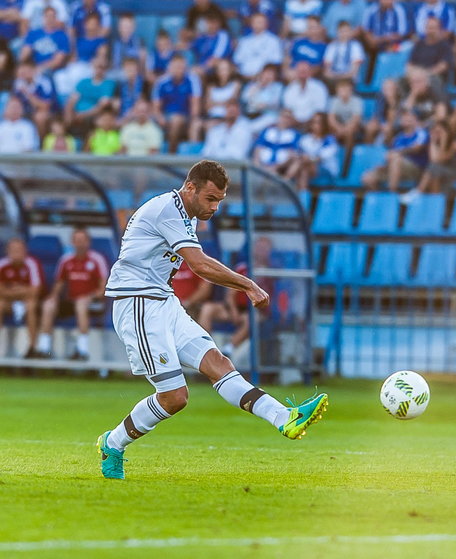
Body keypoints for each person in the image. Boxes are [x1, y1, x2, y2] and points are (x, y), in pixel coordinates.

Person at [97, 160, 329, 481]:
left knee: (218, 363)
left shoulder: (186, 216)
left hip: (163, 301)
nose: (215, 207)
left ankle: (284, 417)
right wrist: (248, 283)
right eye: (210, 199)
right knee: (175, 398)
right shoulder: (168, 209)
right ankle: (113, 443)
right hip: (137, 303)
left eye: (220, 200)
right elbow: (199, 265)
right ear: (190, 187)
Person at [33, 228, 108, 360]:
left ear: (88, 242)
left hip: (93, 303)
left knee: (81, 304)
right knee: (48, 305)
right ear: (72, 242)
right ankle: (44, 349)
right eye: (76, 240)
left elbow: (104, 287)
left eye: (82, 240)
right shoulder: (66, 260)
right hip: (71, 301)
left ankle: (82, 350)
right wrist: (53, 297)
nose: (79, 244)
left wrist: (89, 297)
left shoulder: (97, 260)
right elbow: (59, 283)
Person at [198, 236, 274, 359]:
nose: (261, 250)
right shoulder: (243, 267)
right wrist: (234, 312)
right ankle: (206, 348)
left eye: (265, 248)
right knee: (207, 308)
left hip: (253, 311)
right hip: (233, 308)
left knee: (251, 319)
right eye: (259, 246)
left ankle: (228, 349)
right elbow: (230, 295)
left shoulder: (272, 271)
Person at [362, 109, 429, 191]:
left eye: (408, 116)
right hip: (397, 169)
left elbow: (417, 148)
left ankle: (391, 195)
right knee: (367, 177)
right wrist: (384, 166)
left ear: (415, 119)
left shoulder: (421, 133)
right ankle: (382, 200)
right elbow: (391, 156)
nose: (405, 118)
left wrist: (398, 153)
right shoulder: (398, 138)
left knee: (395, 159)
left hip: (415, 168)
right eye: (403, 116)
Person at [400, 119, 456, 204]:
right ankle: (434, 202)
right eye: (435, 131)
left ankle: (418, 192)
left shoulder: (455, 144)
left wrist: (444, 140)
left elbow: (441, 159)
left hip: (455, 172)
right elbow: (433, 159)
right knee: (434, 170)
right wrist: (433, 141)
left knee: (434, 167)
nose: (438, 134)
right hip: (440, 171)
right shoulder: (434, 143)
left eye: (440, 132)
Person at [0, 237, 44, 358]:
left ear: (25, 251)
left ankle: (33, 347)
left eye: (19, 250)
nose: (16, 253)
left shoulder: (32, 263)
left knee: (31, 304)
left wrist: (11, 290)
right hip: (8, 303)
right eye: (13, 250)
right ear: (7, 251)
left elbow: (36, 291)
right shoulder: (2, 264)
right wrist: (22, 290)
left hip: (27, 303)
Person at [152, 53, 202, 152]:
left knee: (186, 123)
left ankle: (173, 154)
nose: (179, 69)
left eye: (181, 67)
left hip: (185, 116)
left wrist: (192, 119)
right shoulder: (161, 82)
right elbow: (156, 107)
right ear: (170, 67)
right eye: (176, 67)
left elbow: (195, 106)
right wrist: (160, 117)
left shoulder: (192, 80)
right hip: (166, 116)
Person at [64, 58, 116, 134]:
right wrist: (69, 114)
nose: (99, 70)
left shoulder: (108, 84)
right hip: (77, 113)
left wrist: (84, 114)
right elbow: (72, 100)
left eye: (102, 67)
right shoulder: (83, 82)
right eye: (97, 67)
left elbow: (102, 105)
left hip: (93, 115)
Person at [291, 112, 339, 191]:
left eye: (318, 122)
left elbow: (320, 158)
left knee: (303, 166)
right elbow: (297, 153)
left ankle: (285, 180)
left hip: (326, 170)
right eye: (313, 122)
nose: (315, 125)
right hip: (305, 167)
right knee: (304, 172)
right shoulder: (306, 138)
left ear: (324, 124)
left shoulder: (330, 140)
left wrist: (306, 159)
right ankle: (302, 197)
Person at [361, 0, 409, 76]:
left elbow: (401, 34)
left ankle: (392, 77)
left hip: (393, 43)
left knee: (401, 47)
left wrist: (381, 39)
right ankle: (367, 79)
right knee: (363, 47)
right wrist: (371, 40)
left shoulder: (399, 10)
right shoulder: (371, 9)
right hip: (374, 44)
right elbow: (365, 29)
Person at [12, 59, 56, 137]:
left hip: (48, 111)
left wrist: (27, 93)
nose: (24, 73)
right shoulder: (18, 83)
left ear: (34, 70)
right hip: (26, 110)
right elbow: (14, 101)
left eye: (26, 70)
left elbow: (45, 106)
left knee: (39, 117)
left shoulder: (44, 82)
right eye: (22, 71)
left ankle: (40, 143)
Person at [232, 12, 282, 79]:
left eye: (261, 22)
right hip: (244, 77)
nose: (258, 24)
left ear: (266, 24)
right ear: (251, 24)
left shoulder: (274, 40)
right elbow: (237, 60)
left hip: (264, 79)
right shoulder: (244, 41)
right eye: (256, 22)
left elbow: (276, 61)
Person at [327, 78, 362, 174]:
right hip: (339, 128)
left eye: (347, 89)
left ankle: (347, 163)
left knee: (350, 133)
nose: (344, 92)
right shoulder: (334, 101)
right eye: (342, 89)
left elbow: (356, 120)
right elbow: (331, 119)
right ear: (337, 91)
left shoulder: (357, 101)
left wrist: (344, 130)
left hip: (352, 129)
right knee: (329, 132)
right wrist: (339, 129)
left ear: (351, 90)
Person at [20, 6, 70, 72]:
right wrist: (23, 64)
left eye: (52, 16)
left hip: (51, 70)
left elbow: (57, 61)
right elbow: (24, 53)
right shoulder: (33, 33)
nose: (50, 19)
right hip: (33, 67)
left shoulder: (62, 36)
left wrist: (39, 69)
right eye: (47, 16)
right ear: (43, 17)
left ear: (56, 18)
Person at [253, 109, 302, 176]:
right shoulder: (267, 130)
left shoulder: (295, 135)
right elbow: (258, 149)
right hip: (262, 166)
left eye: (288, 118)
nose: (285, 120)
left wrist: (276, 167)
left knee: (297, 161)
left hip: (280, 169)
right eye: (283, 117)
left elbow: (292, 155)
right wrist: (257, 166)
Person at [406, 16, 454, 83]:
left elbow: (443, 66)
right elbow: (409, 64)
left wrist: (424, 74)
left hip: (435, 78)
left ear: (439, 30)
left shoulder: (445, 46)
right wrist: (413, 73)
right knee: (391, 84)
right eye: (428, 28)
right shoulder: (419, 44)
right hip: (416, 76)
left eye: (433, 28)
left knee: (420, 83)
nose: (430, 31)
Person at [281, 61, 328, 126]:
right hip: (294, 123)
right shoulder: (290, 88)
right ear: (296, 73)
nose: (302, 75)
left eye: (304, 72)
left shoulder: (319, 87)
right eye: (300, 72)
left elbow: (320, 110)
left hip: (312, 124)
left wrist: (308, 122)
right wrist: (294, 120)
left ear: (309, 72)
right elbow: (288, 108)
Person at [241, 64, 283, 134]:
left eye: (271, 74)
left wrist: (261, 105)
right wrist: (258, 86)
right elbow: (245, 99)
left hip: (268, 116)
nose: (268, 76)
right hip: (250, 116)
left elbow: (275, 103)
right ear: (261, 73)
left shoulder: (278, 87)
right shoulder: (252, 85)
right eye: (266, 73)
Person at [323, 20, 365, 88]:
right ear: (337, 32)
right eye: (342, 31)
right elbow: (327, 71)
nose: (344, 34)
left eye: (346, 31)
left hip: (349, 78)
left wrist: (340, 77)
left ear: (351, 32)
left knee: (345, 83)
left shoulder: (356, 46)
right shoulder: (331, 46)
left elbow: (354, 72)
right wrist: (335, 76)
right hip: (334, 78)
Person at [363, 76, 399, 144]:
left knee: (388, 129)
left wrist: (391, 101)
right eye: (385, 88)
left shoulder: (400, 98)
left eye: (390, 88)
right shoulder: (380, 96)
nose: (387, 90)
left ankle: (389, 151)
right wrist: (382, 123)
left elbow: (397, 118)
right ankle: (368, 150)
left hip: (397, 124)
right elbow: (377, 113)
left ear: (395, 89)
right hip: (382, 122)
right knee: (370, 127)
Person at [116, 56, 147, 123]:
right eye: (127, 67)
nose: (129, 69)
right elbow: (117, 102)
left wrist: (127, 117)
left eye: (132, 66)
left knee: (141, 107)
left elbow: (143, 102)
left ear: (137, 68)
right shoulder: (120, 84)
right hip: (123, 114)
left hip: (138, 114)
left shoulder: (144, 83)